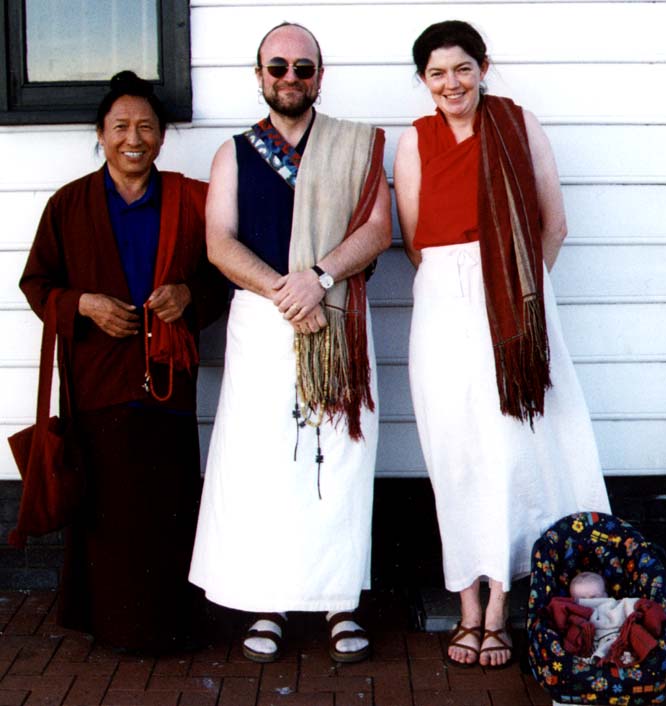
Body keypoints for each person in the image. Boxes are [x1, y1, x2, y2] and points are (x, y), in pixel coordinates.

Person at [393, 21, 610, 668]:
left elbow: (555, 221)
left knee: (516, 447)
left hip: (517, 304)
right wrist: (464, 282)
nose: (451, 84)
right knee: (456, 451)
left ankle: (498, 608)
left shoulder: (518, 124)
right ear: (424, 82)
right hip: (444, 307)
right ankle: (466, 605)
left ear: (483, 66)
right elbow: (413, 240)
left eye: (462, 68)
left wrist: (522, 298)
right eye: (437, 74)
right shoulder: (415, 140)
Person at [189, 22, 391, 663]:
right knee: (266, 463)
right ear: (259, 76)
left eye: (303, 69)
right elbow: (220, 242)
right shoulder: (235, 153)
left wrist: (319, 278)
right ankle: (266, 601)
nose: (290, 78)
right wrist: (285, 290)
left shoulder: (355, 146)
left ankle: (338, 602)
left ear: (320, 77)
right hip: (264, 319)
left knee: (339, 459)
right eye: (278, 67)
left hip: (334, 315)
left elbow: (378, 228)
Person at [19, 71, 228, 652]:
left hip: (167, 378)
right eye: (120, 127)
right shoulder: (70, 204)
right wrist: (82, 304)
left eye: (145, 127)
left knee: (167, 504)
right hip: (98, 381)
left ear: (162, 137)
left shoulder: (189, 202)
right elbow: (37, 283)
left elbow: (220, 279)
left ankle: (170, 624)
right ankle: (112, 627)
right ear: (100, 134)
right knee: (107, 510)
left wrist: (188, 296)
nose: (133, 138)